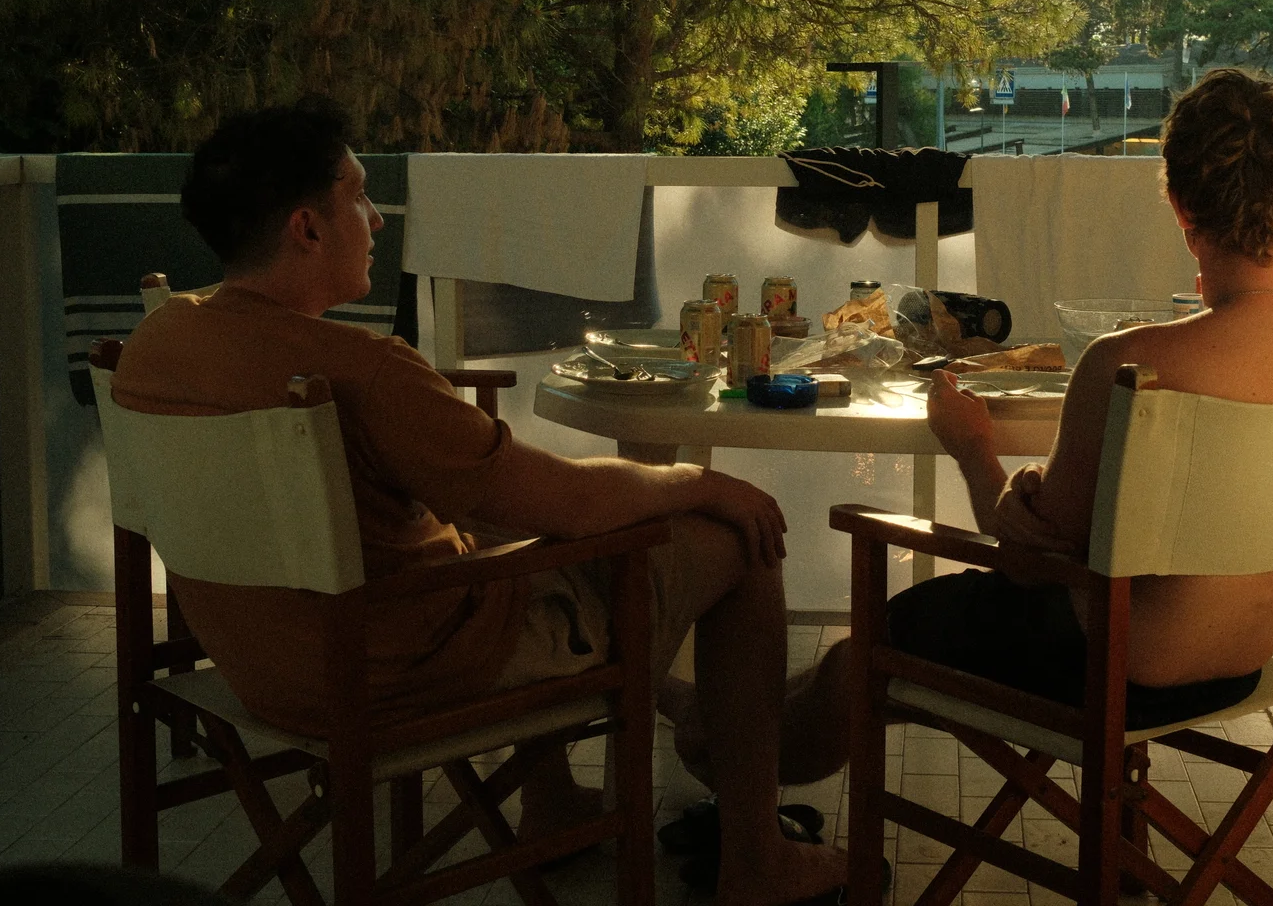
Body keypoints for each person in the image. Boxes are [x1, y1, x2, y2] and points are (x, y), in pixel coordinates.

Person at [108, 100, 846, 906]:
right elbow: (562, 504)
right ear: (307, 229)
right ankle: (755, 860)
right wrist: (705, 482)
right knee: (737, 538)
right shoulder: (363, 371)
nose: (378, 222)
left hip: (262, 662)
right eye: (358, 195)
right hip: (399, 669)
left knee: (497, 529)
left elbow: (514, 504)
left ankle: (556, 800)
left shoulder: (160, 340)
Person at [671, 68, 1273, 770]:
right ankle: (714, 719)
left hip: (1097, 671)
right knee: (879, 654)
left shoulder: (1133, 363)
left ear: (1178, 204)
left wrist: (970, 446)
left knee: (861, 655)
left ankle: (714, 743)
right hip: (1246, 663)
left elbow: (1024, 564)